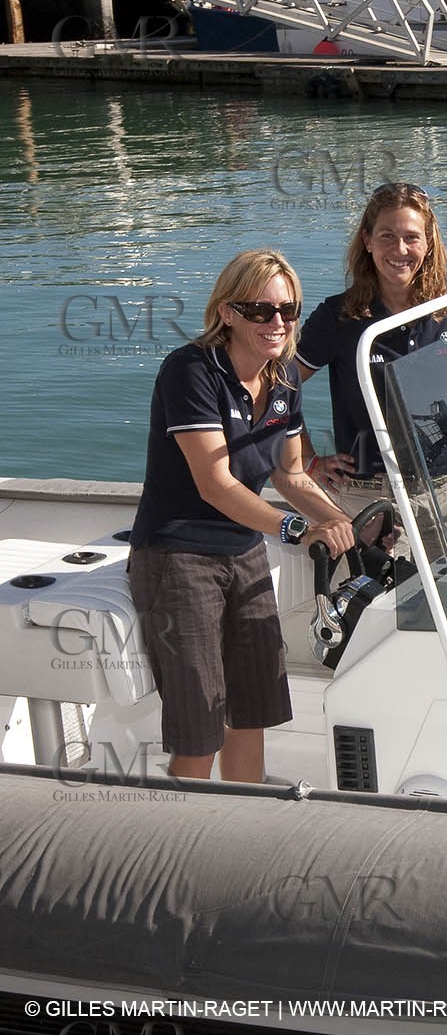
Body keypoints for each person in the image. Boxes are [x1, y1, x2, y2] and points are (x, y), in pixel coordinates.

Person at [129, 249, 356, 783]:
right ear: (227, 312)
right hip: (177, 557)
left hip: (244, 551)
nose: (276, 323)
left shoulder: (284, 381)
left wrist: (350, 521)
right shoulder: (190, 371)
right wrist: (297, 529)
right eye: (260, 310)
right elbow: (217, 484)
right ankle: (182, 853)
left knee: (250, 715)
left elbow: (291, 474)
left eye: (288, 310)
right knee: (200, 727)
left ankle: (241, 836)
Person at [295, 182, 447, 563]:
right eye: (388, 236)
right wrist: (308, 459)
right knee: (384, 610)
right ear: (367, 241)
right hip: (370, 496)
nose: (400, 250)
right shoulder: (338, 315)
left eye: (411, 238)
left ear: (429, 242)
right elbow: (277, 387)